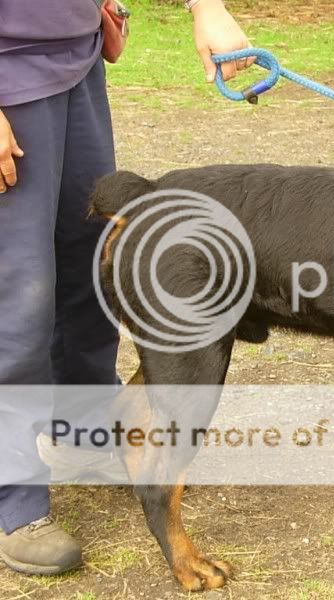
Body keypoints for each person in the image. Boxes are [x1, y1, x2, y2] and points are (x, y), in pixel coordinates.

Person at [0, 0, 253, 576]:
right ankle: (13, 497)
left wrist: (206, 8)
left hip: (75, 59)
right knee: (19, 302)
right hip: (7, 75)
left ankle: (83, 438)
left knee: (90, 273)